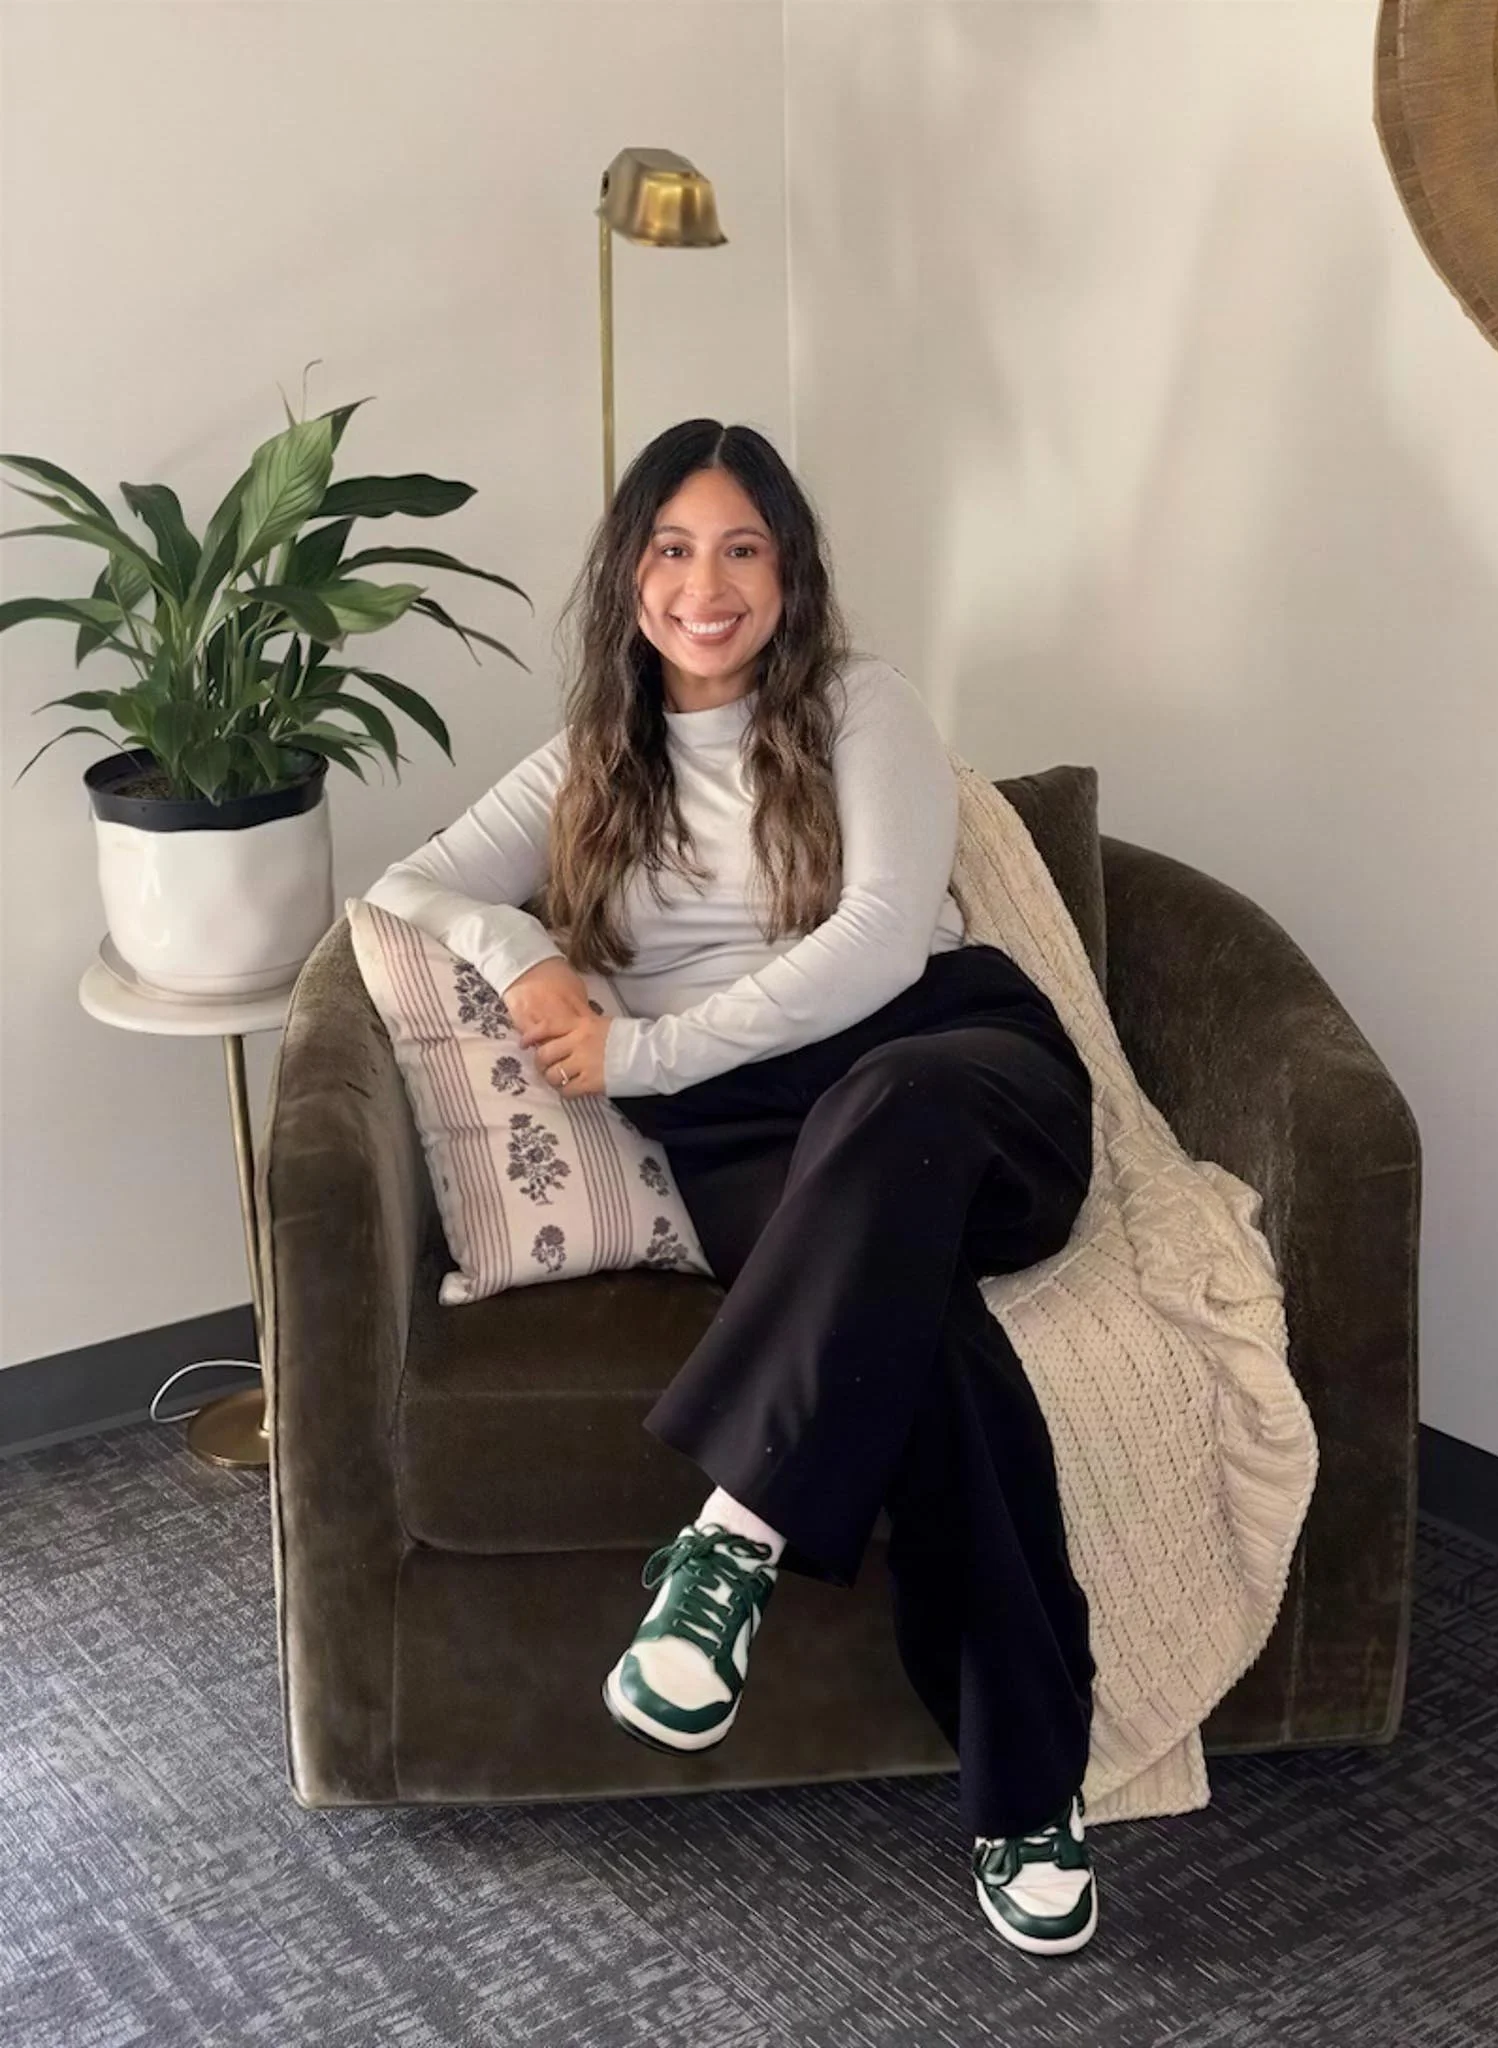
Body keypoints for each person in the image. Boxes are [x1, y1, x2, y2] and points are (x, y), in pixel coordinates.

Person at [362, 419, 1100, 1958]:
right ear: (632, 574)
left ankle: (729, 1546)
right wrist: (531, 950)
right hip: (755, 1130)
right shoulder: (587, 761)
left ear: (790, 570)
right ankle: (1031, 1790)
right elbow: (405, 888)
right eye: (676, 549)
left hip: (949, 1064)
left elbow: (887, 937)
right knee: (939, 1362)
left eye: (743, 548)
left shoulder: (858, 707)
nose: (709, 585)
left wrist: (644, 1054)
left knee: (896, 1101)